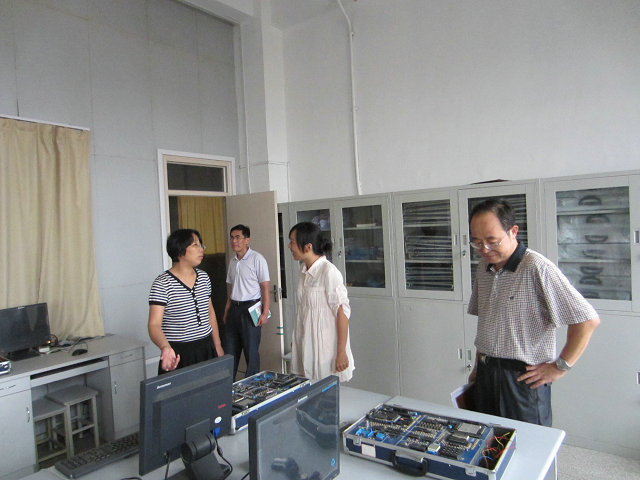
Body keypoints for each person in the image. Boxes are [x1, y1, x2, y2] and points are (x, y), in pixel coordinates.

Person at [467, 199, 600, 426]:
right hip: (486, 373)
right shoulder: (483, 268)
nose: (485, 249)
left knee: (526, 442)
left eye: (492, 241)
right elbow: (487, 323)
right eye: (477, 242)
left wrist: (560, 367)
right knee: (487, 439)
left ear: (513, 231)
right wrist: (478, 367)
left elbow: (587, 320)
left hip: (522, 380)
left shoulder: (537, 267)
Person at [148, 229, 224, 375]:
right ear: (180, 249)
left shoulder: (204, 278)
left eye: (201, 245)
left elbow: (210, 313)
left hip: (207, 348)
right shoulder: (162, 283)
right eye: (195, 245)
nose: (201, 249)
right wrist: (165, 347)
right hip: (178, 354)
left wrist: (217, 345)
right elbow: (154, 325)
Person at [288, 221, 355, 382]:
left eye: (292, 242)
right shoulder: (303, 271)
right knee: (307, 386)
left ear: (308, 247)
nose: (289, 246)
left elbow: (342, 313)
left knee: (325, 388)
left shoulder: (329, 272)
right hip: (306, 342)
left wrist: (341, 352)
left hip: (326, 346)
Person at [222, 224, 270, 379]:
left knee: (251, 351)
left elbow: (265, 288)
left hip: (251, 309)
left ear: (247, 240)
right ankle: (229, 386)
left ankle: (253, 385)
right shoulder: (233, 261)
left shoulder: (257, 259)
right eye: (232, 237)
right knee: (230, 351)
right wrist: (226, 310)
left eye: (238, 237)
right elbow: (232, 288)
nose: (234, 241)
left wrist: (264, 312)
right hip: (234, 309)